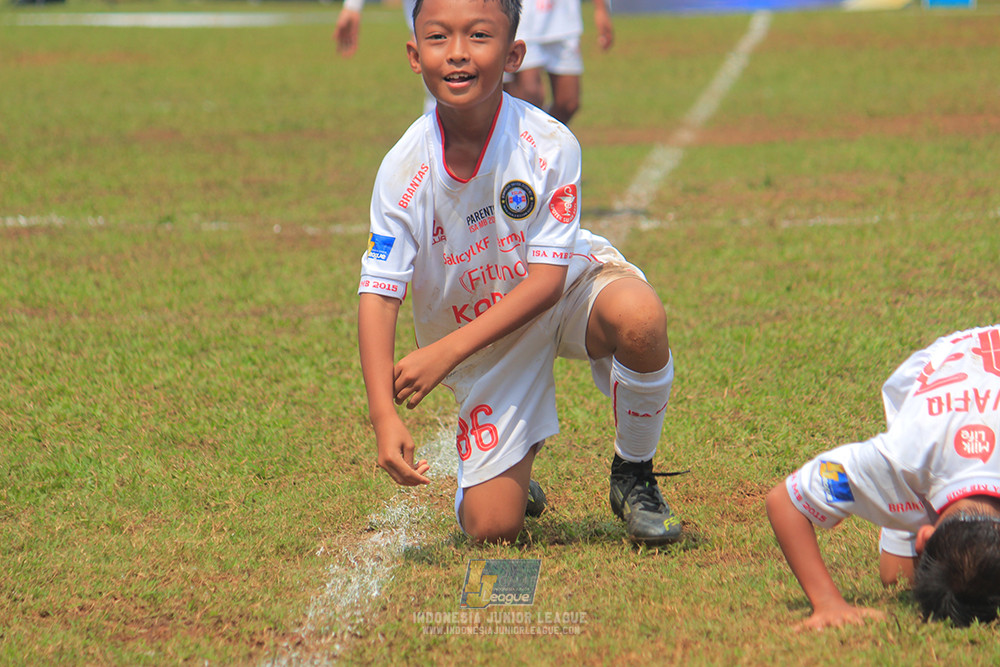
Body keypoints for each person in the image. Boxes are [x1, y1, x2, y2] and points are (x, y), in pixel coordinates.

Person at [357, 0, 682, 546]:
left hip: (554, 288)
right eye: (438, 38)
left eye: (479, 36)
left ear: (513, 54)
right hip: (486, 335)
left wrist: (443, 352)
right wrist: (382, 416)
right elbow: (378, 291)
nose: (458, 53)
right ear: (415, 55)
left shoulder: (549, 143)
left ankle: (634, 473)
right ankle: (505, 475)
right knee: (493, 531)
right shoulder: (403, 168)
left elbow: (546, 284)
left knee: (641, 319)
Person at [766, 325, 1000, 629]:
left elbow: (784, 500)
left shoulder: (903, 459)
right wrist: (827, 603)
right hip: (943, 370)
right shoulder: (894, 459)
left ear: (924, 536)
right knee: (897, 577)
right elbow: (784, 500)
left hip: (957, 390)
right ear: (924, 537)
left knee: (897, 576)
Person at [503, 0, 613, 125]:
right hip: (526, 19)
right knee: (530, 95)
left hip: (563, 17)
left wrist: (601, 9)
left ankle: (542, 137)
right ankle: (525, 140)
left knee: (569, 103)